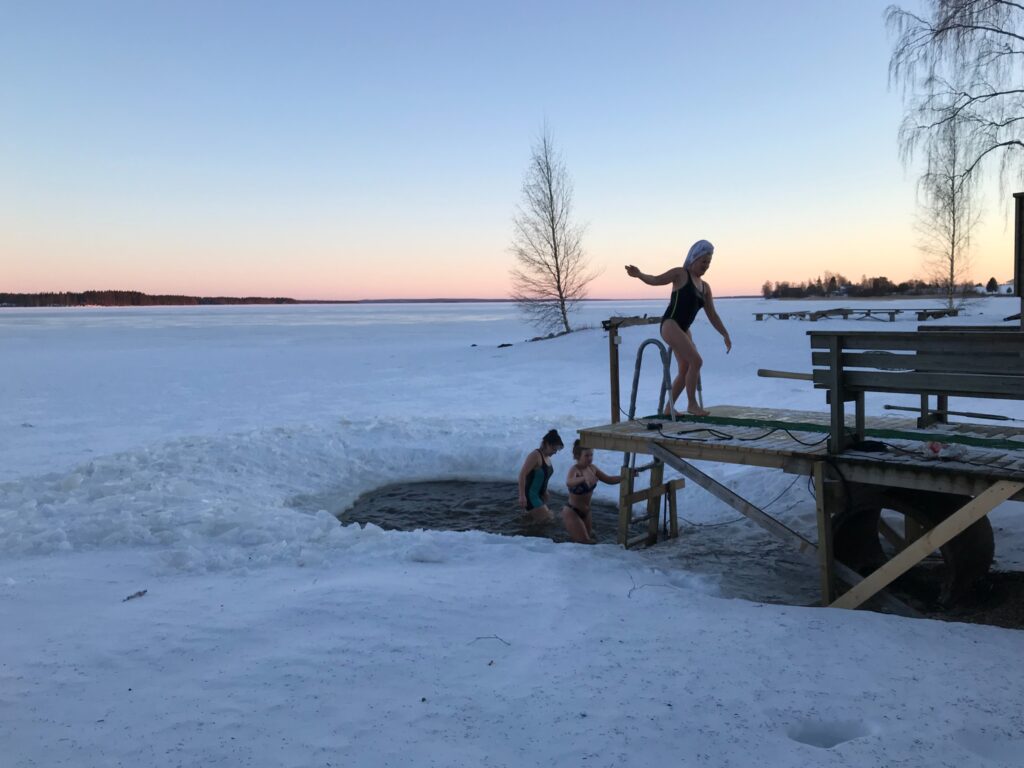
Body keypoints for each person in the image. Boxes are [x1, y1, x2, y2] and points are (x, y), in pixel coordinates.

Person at [624, 239, 732, 417]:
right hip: (670, 324)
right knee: (696, 361)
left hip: (683, 328)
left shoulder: (705, 288)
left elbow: (712, 315)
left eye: (709, 262)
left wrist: (725, 334)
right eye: (703, 261)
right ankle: (692, 404)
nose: (706, 266)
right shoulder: (680, 274)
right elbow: (656, 280)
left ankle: (669, 408)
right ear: (694, 258)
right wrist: (639, 274)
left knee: (685, 368)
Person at [561, 440, 632, 544]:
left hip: (587, 512)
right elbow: (569, 482)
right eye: (586, 456)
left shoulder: (592, 468)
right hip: (572, 512)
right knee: (585, 542)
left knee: (589, 541)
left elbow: (609, 479)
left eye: (591, 455)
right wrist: (583, 478)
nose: (590, 458)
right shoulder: (575, 470)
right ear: (577, 456)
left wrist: (625, 476)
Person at [518, 429, 564, 523]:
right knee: (549, 521)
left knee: (541, 521)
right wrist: (522, 496)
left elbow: (542, 478)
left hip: (539, 496)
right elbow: (522, 474)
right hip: (531, 496)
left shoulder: (546, 457)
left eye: (556, 450)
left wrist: (545, 491)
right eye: (554, 449)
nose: (555, 452)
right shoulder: (535, 455)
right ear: (546, 444)